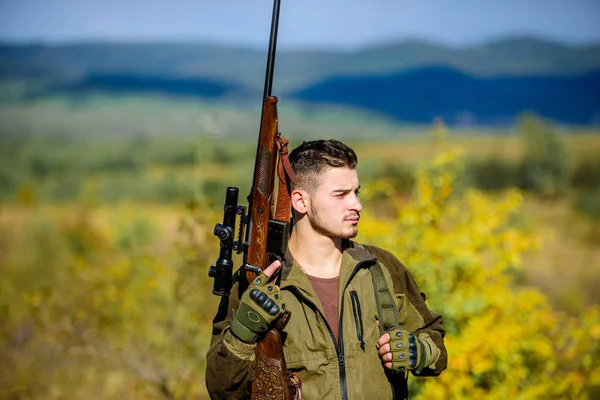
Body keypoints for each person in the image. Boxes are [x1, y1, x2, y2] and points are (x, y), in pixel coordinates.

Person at [206, 139, 447, 399]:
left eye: (356, 192)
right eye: (341, 194)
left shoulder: (381, 268)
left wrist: (418, 351)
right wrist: (243, 332)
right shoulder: (259, 283)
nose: (356, 205)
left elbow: (436, 345)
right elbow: (221, 389)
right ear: (301, 201)